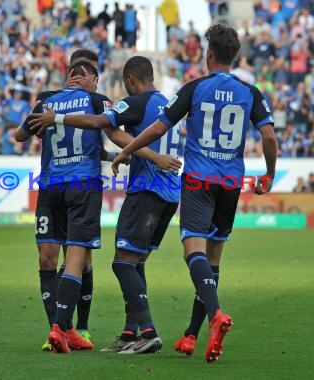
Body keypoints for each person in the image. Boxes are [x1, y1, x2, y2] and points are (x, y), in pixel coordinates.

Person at [112, 24, 278, 363]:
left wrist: (127, 149)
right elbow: (270, 137)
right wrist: (270, 173)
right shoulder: (252, 92)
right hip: (231, 183)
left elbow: (159, 127)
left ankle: (216, 314)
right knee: (213, 261)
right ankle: (190, 335)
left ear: (210, 54)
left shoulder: (195, 88)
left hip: (199, 180)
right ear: (235, 56)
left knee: (193, 252)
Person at [29, 56, 182, 354]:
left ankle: (148, 332)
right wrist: (124, 155)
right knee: (135, 264)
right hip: (170, 194)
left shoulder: (135, 102)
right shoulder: (168, 104)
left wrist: (56, 118)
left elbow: (103, 123)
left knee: (122, 262)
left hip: (146, 190)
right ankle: (130, 333)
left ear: (129, 80)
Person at [16, 60, 112, 354]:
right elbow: (112, 127)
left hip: (50, 187)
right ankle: (61, 329)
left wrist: (39, 121)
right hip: (82, 185)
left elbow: (19, 136)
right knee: (75, 257)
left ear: (69, 77)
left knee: (48, 258)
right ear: (88, 78)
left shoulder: (46, 100)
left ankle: (59, 331)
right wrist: (138, 153)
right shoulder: (97, 100)